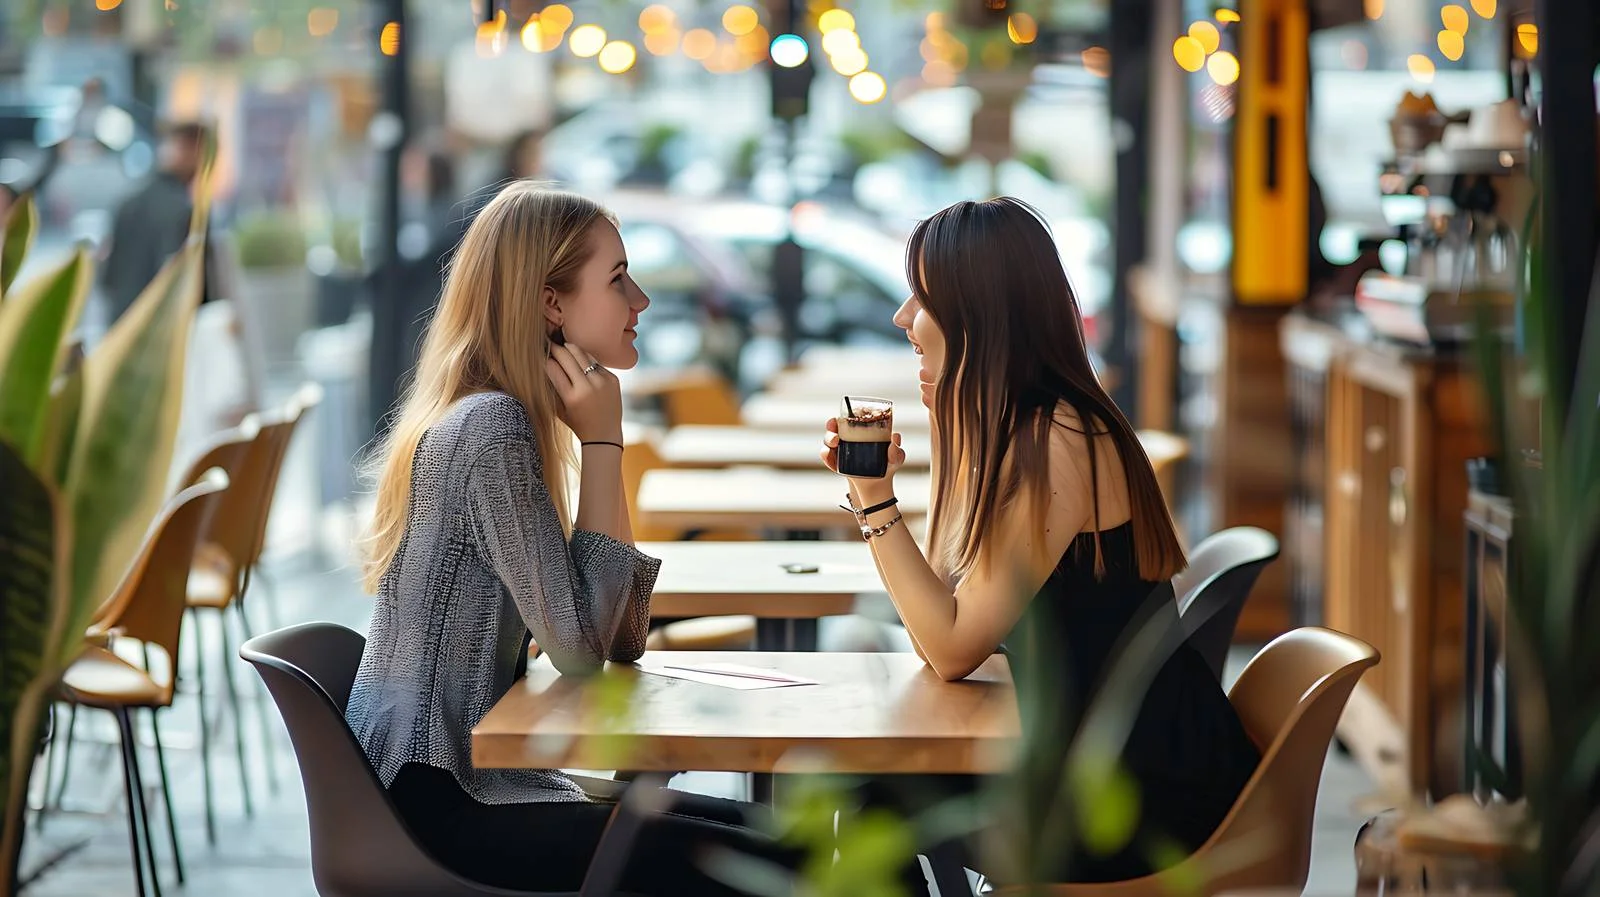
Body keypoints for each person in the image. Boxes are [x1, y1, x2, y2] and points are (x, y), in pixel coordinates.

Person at [346, 183, 802, 894]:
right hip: (441, 803)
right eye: (617, 279)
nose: (640, 300)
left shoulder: (501, 418)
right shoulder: (490, 429)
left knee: (785, 842)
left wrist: (599, 440)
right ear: (551, 304)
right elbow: (584, 653)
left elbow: (620, 636)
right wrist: (604, 441)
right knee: (781, 862)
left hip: (469, 785)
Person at [820, 197, 1262, 890]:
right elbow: (943, 606)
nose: (903, 318)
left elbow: (951, 647)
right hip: (1094, 756)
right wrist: (944, 432)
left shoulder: (1056, 442)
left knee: (881, 795)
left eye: (922, 298)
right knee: (881, 784)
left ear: (979, 315)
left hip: (1140, 796)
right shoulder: (1023, 423)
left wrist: (873, 499)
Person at [99, 120, 213, 327]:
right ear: (193, 150)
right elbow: (188, 287)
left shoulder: (127, 203)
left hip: (120, 328)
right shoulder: (184, 213)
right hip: (160, 331)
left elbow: (108, 277)